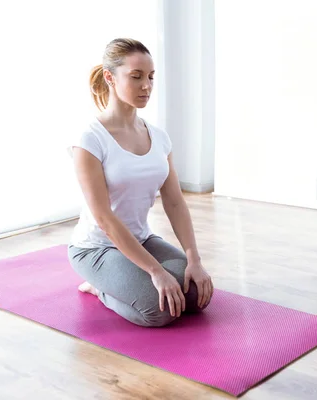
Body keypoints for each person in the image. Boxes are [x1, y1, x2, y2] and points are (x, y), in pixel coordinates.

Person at [67, 38, 213, 328]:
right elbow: (104, 218)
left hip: (142, 238)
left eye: (150, 77)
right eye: (136, 77)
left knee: (195, 295)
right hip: (97, 248)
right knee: (160, 310)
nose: (146, 85)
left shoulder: (159, 136)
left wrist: (193, 258)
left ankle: (134, 281)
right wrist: (156, 272)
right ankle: (100, 288)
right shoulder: (89, 140)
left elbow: (174, 201)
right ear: (110, 77)